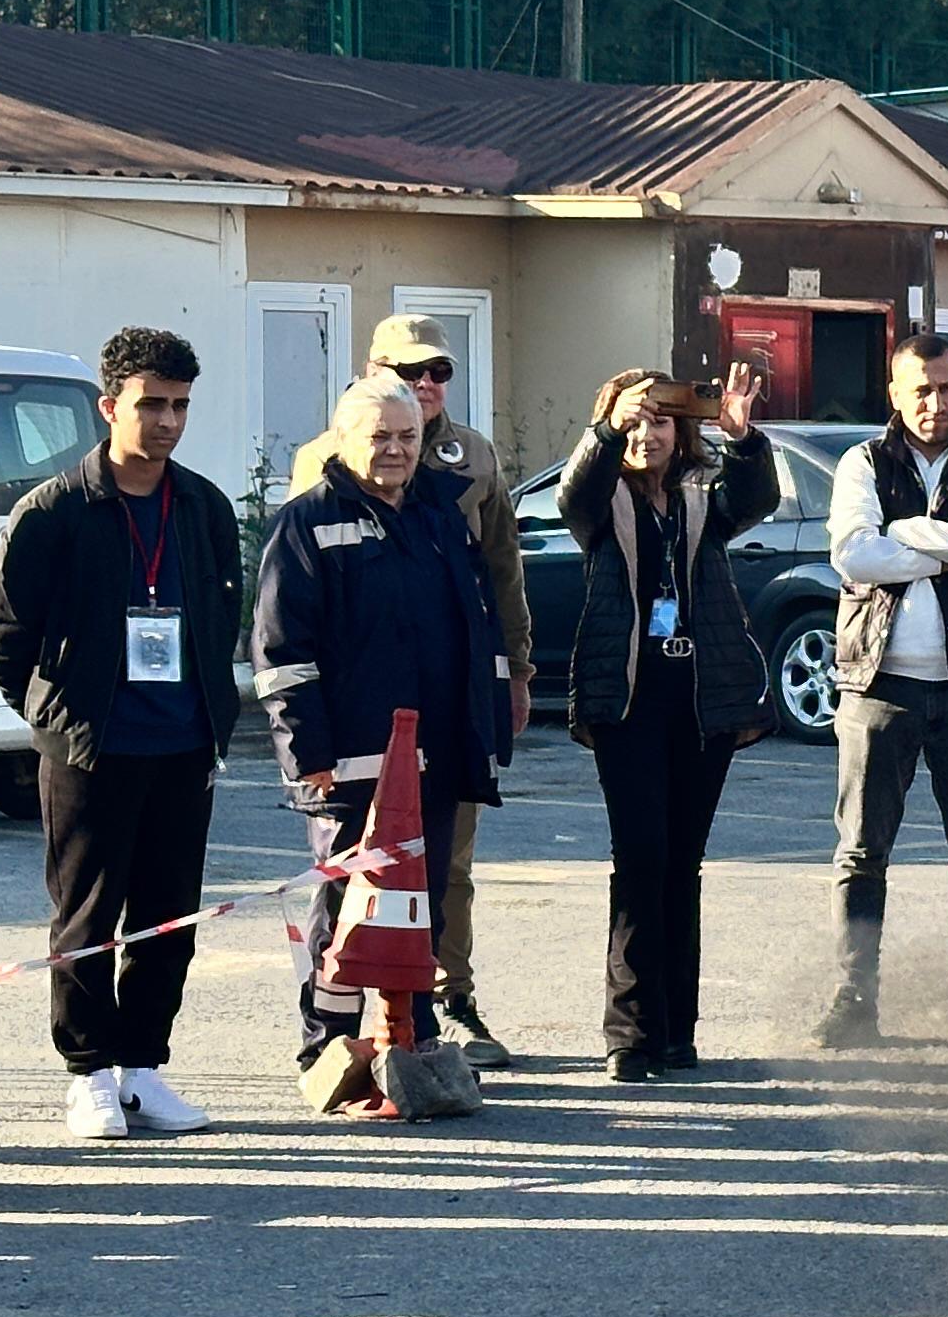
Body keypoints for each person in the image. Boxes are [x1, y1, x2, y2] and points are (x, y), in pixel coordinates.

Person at [0, 327, 245, 1141]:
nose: (167, 421)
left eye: (181, 406)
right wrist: (56, 718)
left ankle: (144, 1069)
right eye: (151, 404)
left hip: (183, 744)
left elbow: (221, 612)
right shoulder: (56, 510)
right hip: (92, 749)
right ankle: (88, 1074)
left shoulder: (201, 506)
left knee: (170, 915)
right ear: (109, 406)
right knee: (88, 917)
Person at [253, 370, 512, 1083]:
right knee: (346, 902)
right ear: (344, 441)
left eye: (408, 436)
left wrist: (484, 733)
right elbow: (281, 651)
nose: (396, 450)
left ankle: (412, 1029)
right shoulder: (307, 522)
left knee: (419, 896)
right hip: (350, 756)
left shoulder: (439, 518)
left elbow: (477, 627)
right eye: (380, 438)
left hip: (434, 754)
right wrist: (308, 751)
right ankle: (327, 1041)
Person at [560, 358, 777, 1081]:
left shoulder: (697, 496)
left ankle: (676, 1032)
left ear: (681, 429)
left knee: (683, 865)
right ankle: (629, 1033)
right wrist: (604, 429)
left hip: (698, 703)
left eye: (659, 419)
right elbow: (572, 494)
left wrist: (744, 441)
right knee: (641, 858)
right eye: (634, 418)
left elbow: (754, 500)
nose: (646, 434)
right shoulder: (603, 500)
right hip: (627, 706)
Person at [814, 333, 948, 1051]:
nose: (936, 402)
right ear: (895, 395)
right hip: (880, 684)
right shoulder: (862, 462)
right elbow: (852, 552)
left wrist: (907, 533)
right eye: (921, 389)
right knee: (861, 852)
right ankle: (854, 1004)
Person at [365, 313, 532, 1070]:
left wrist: (517, 672)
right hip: (365, 693)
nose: (427, 385)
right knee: (352, 856)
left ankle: (448, 995)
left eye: (438, 372)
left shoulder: (474, 459)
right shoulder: (329, 457)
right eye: (410, 372)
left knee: (450, 860)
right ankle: (340, 1011)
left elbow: (504, 571)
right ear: (373, 371)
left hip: (454, 686)